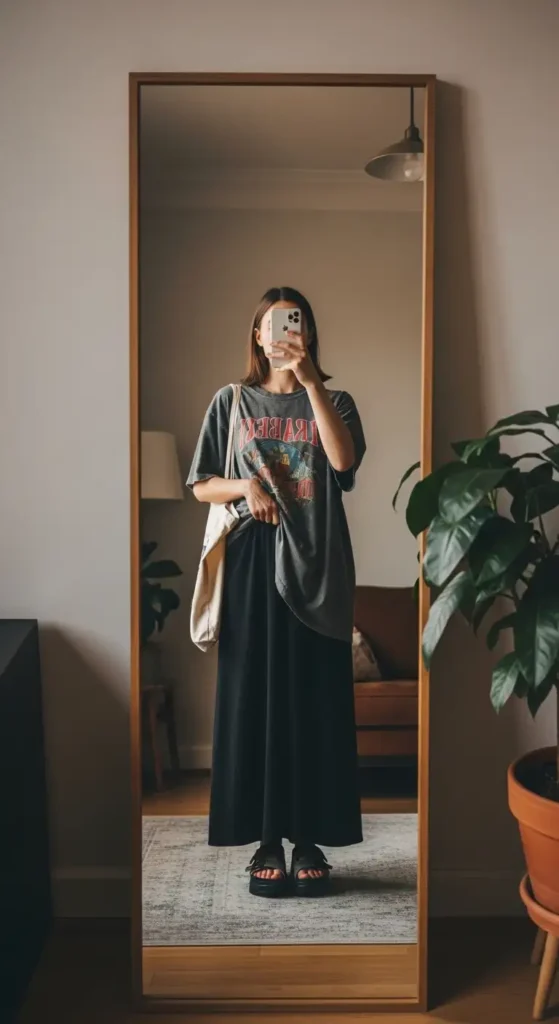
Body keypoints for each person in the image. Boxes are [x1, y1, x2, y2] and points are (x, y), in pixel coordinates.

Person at [187, 286, 366, 898]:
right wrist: (244, 488)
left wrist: (311, 383)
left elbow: (342, 467)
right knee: (254, 700)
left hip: (318, 564)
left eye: (295, 324)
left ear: (307, 334)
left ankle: (311, 839)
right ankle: (266, 840)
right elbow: (200, 484)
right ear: (257, 336)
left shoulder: (336, 399)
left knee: (315, 701)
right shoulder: (230, 401)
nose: (283, 334)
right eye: (272, 325)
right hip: (250, 561)